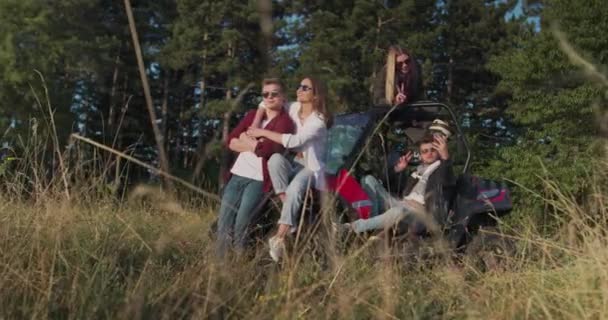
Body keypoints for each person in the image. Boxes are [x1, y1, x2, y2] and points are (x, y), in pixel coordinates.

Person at [247, 77, 332, 262]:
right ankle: (286, 202)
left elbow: (294, 141)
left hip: (311, 170)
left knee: (295, 187)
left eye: (305, 87)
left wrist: (261, 132)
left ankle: (279, 237)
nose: (299, 89)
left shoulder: (318, 121)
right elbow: (265, 102)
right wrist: (255, 123)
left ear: (315, 96)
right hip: (294, 164)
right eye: (299, 86)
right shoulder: (293, 108)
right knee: (275, 159)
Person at [216, 78, 295, 258]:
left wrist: (246, 140)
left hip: (259, 180)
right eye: (265, 94)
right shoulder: (253, 115)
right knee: (224, 223)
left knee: (241, 225)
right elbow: (231, 140)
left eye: (274, 94)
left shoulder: (285, 123)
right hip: (237, 175)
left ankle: (239, 264)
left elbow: (271, 149)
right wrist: (253, 144)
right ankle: (218, 266)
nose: (269, 97)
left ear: (283, 97)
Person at [346, 132, 454, 236]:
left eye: (433, 150)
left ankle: (352, 227)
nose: (429, 153)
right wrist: (398, 169)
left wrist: (445, 157)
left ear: (439, 152)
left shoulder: (441, 169)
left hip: (421, 214)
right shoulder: (417, 172)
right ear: (421, 155)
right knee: (369, 179)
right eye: (425, 151)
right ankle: (371, 223)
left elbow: (446, 178)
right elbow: (389, 184)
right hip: (401, 202)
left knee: (398, 211)